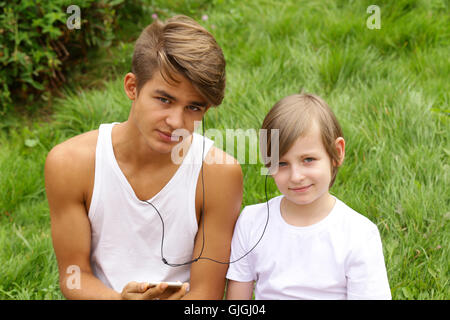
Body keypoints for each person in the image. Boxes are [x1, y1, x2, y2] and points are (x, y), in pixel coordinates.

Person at [45, 15, 243, 300]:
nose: (176, 121)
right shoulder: (70, 164)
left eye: (194, 107)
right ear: (132, 87)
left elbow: (207, 293)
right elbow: (74, 277)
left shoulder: (219, 174)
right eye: (165, 99)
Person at [226, 93, 391, 300]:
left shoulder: (359, 234)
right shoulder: (251, 222)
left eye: (308, 159)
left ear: (337, 153)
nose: (296, 177)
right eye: (282, 163)